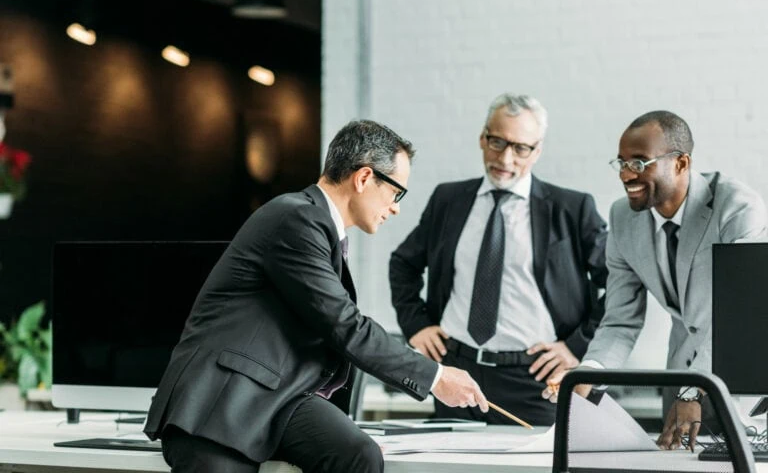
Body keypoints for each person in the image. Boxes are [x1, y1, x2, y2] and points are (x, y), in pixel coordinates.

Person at [144, 120, 489, 473]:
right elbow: (342, 324)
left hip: (279, 398)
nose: (396, 207)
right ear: (364, 178)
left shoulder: (320, 230)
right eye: (396, 192)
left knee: (358, 453)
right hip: (225, 401)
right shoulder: (296, 218)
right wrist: (435, 376)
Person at [543, 110, 768, 450]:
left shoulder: (737, 206)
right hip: (680, 376)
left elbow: (740, 316)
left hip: (742, 380)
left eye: (639, 163)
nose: (625, 175)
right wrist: (587, 374)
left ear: (680, 163)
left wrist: (692, 389)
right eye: (620, 163)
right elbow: (620, 320)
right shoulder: (622, 217)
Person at [389, 94, 608, 426]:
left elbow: (620, 285)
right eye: (497, 142)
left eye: (521, 148)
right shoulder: (448, 200)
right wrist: (415, 325)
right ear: (482, 138)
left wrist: (578, 345)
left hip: (535, 380)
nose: (506, 158)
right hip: (457, 373)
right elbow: (403, 263)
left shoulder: (571, 209)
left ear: (538, 151)